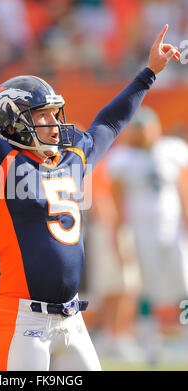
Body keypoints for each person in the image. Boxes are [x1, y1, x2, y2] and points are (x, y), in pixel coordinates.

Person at [0, 26, 179, 371]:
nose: (54, 123)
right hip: (23, 322)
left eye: (53, 113)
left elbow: (110, 123)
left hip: (72, 319)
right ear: (12, 123)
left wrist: (148, 74)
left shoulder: (71, 157)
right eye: (42, 115)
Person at [106, 106, 188, 362]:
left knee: (185, 283)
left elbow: (183, 189)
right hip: (141, 233)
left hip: (173, 230)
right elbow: (117, 201)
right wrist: (119, 235)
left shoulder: (172, 150)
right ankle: (151, 342)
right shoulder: (123, 159)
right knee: (145, 289)